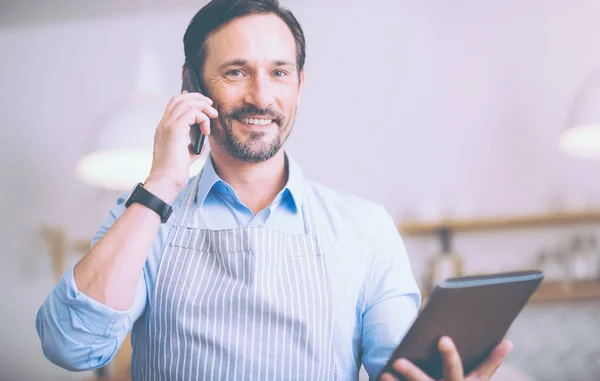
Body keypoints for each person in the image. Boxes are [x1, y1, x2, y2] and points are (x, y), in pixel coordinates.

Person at [35, 0, 512, 380]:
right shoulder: (146, 217)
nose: (262, 97)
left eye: (279, 72)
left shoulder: (364, 229)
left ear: (300, 84)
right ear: (191, 83)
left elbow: (401, 372)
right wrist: (161, 182)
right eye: (236, 71)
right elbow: (72, 346)